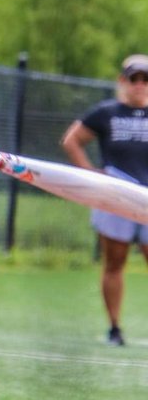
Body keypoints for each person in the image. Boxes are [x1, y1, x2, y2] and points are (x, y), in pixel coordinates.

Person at [62, 53, 148, 346]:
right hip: (116, 195)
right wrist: (91, 175)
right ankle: (114, 328)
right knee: (115, 262)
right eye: (134, 78)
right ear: (123, 81)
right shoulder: (107, 112)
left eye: (146, 79)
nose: (140, 84)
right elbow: (72, 140)